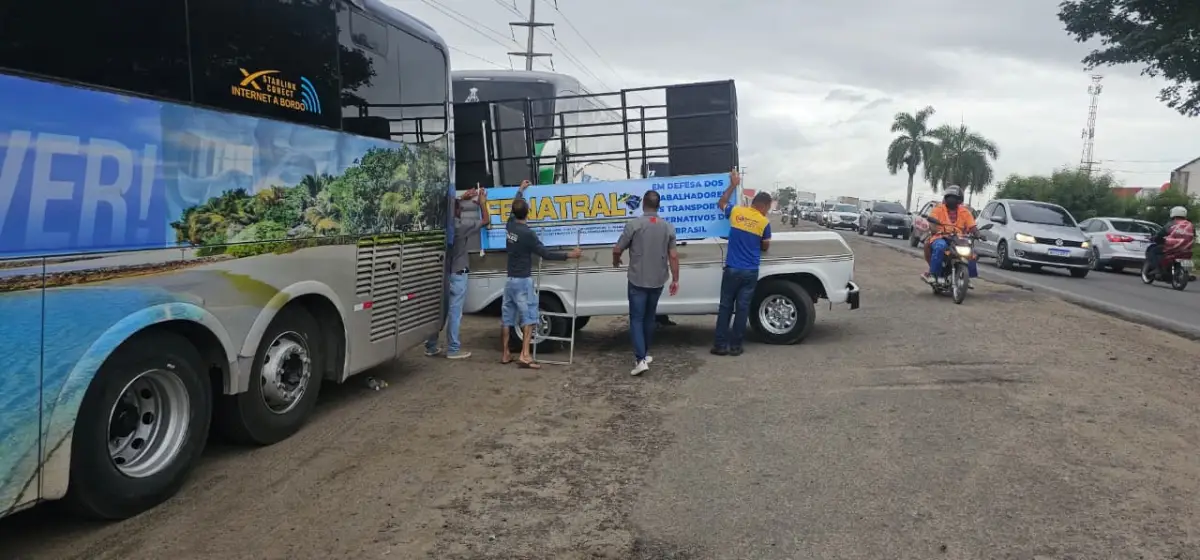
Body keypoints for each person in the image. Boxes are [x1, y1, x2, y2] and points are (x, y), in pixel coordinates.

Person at [502, 179, 583, 368]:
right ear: (527, 213)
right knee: (530, 317)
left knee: (507, 318)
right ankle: (525, 355)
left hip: (510, 281)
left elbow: (514, 209)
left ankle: (506, 354)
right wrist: (571, 254)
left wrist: (520, 191)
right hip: (523, 281)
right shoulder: (528, 234)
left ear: (514, 213)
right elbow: (545, 254)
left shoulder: (510, 226)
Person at [613, 190, 680, 376]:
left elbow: (617, 249)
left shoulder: (634, 225)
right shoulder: (668, 227)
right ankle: (644, 354)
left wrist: (615, 260)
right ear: (658, 206)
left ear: (643, 204)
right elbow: (673, 256)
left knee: (636, 318)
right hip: (658, 279)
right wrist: (675, 279)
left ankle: (640, 359)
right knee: (650, 318)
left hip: (637, 279)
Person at [424, 185, 489, 359]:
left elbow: (450, 207)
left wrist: (462, 198)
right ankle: (453, 349)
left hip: (441, 274)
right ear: (457, 212)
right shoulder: (460, 226)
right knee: (455, 313)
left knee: (437, 311)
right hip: (458, 274)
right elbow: (485, 221)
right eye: (459, 207)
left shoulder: (438, 224)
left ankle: (430, 346)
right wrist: (482, 203)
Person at [711, 169, 770, 356]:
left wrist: (733, 184)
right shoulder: (764, 222)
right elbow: (765, 246)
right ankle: (736, 346)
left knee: (725, 307)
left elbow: (721, 202)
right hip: (750, 271)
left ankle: (720, 345)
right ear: (765, 206)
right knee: (742, 309)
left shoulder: (737, 212)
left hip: (732, 269)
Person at [921, 185, 979, 287]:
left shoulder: (965, 212)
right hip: (940, 237)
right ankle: (933, 274)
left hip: (959, 239)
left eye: (953, 197)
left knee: (971, 252)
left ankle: (967, 277)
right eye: (948, 197)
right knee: (940, 247)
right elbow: (932, 222)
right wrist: (934, 228)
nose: (950, 199)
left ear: (959, 200)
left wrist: (978, 234)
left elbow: (972, 226)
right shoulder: (938, 209)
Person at [1146, 206, 1195, 274]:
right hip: (1187, 249)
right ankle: (1189, 272)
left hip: (1172, 248)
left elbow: (1161, 234)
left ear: (1173, 213)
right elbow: (1193, 236)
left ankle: (1157, 269)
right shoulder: (1190, 225)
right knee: (1187, 258)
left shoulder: (1171, 223)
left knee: (1153, 251)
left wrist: (1154, 238)